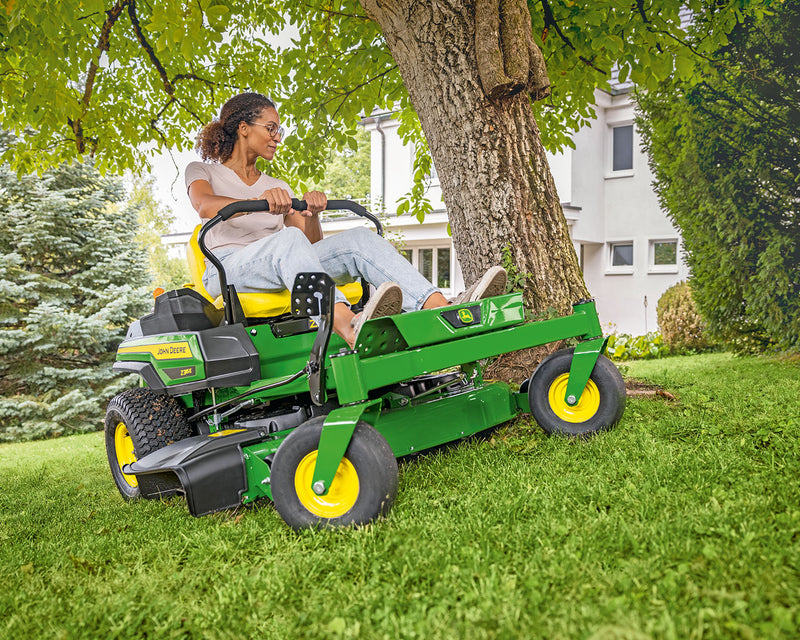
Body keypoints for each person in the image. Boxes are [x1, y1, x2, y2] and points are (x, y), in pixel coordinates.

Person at [186, 92, 506, 348]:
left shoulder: (278, 186)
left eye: (278, 130)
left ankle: (441, 309)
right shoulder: (203, 171)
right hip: (228, 268)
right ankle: (348, 325)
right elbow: (204, 205)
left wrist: (310, 213)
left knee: (359, 238)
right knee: (286, 241)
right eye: (271, 128)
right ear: (244, 127)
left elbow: (307, 248)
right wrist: (257, 204)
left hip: (282, 259)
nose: (277, 137)